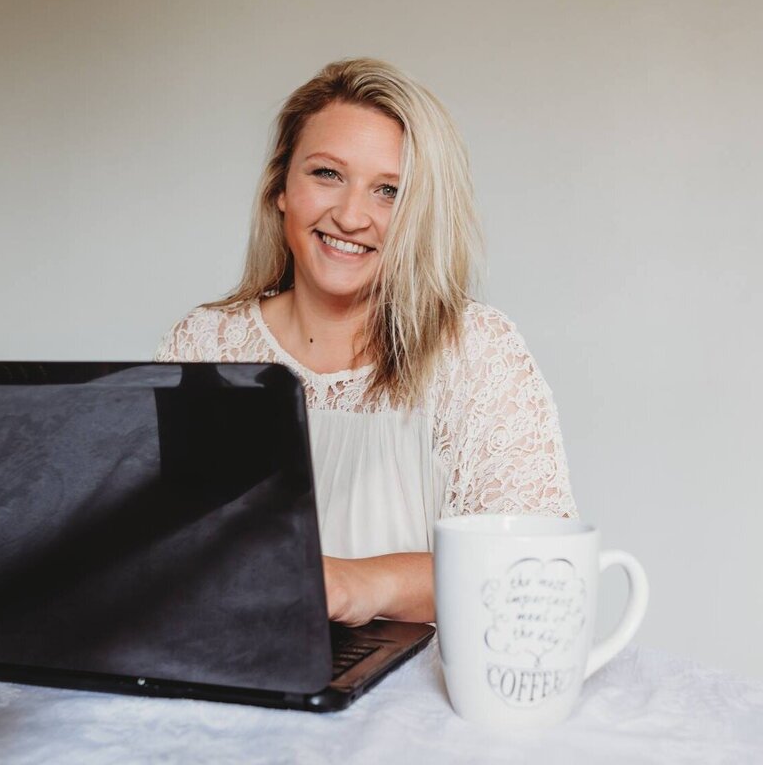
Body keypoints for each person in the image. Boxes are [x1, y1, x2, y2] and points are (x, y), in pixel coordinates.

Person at [155, 58, 577, 628]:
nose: (352, 216)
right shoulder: (205, 343)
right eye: (327, 173)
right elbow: (156, 556)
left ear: (420, 215)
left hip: (424, 700)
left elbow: (532, 568)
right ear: (281, 187)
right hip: (238, 679)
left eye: (388, 191)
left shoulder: (476, 349)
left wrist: (359, 583)